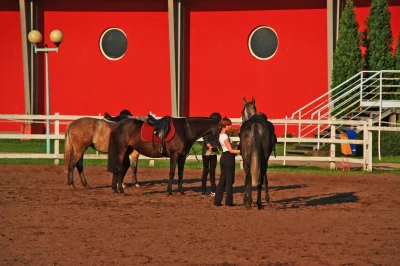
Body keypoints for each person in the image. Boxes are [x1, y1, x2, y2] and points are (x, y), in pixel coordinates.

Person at [213, 117, 240, 207]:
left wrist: (237, 144)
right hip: (228, 157)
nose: (230, 126)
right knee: (229, 181)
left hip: (224, 158)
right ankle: (228, 202)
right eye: (229, 125)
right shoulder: (224, 136)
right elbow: (231, 150)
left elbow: (230, 145)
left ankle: (217, 201)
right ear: (224, 126)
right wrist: (243, 152)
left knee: (222, 180)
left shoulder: (222, 135)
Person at [201, 112, 222, 196]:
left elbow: (218, 140)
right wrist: (208, 144)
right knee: (205, 171)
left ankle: (213, 190)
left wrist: (217, 146)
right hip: (206, 152)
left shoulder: (217, 130)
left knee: (212, 171)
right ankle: (203, 190)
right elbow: (205, 138)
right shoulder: (207, 129)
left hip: (213, 152)